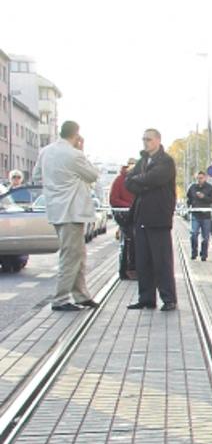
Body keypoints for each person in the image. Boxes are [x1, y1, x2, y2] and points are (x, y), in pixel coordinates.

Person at [35, 121, 99, 312]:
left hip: (55, 209)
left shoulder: (45, 151)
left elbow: (37, 174)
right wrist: (81, 149)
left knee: (76, 253)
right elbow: (93, 175)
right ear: (76, 135)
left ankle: (81, 295)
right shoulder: (74, 154)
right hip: (71, 210)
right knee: (70, 255)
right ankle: (61, 298)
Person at [126, 128, 177, 311]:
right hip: (141, 215)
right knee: (143, 260)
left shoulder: (166, 161)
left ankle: (168, 298)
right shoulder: (142, 161)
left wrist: (142, 181)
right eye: (143, 139)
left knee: (162, 260)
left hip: (159, 217)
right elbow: (128, 181)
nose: (145, 142)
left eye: (148, 139)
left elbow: (155, 178)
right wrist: (143, 182)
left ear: (157, 140)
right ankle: (146, 298)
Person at [109, 161, 137, 280]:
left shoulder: (138, 180)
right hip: (125, 216)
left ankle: (134, 268)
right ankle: (129, 269)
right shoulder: (119, 180)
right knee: (130, 240)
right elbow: (113, 199)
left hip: (136, 215)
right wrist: (130, 205)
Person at [186, 171, 212, 261]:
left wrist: (203, 197)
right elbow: (189, 198)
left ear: (205, 178)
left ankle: (204, 254)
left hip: (206, 216)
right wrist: (189, 207)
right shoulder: (192, 187)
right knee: (194, 234)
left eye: (201, 178)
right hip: (195, 215)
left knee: (205, 237)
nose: (199, 180)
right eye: (198, 178)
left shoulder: (210, 188)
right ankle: (194, 252)